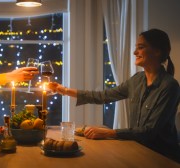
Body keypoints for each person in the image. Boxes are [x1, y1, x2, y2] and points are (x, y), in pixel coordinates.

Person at [48, 29, 180, 162]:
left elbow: (149, 132)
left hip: (162, 157)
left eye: (141, 47)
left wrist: (109, 132)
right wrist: (63, 90)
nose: (135, 52)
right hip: (139, 151)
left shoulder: (169, 86)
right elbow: (103, 96)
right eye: (136, 48)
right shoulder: (137, 80)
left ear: (157, 51)